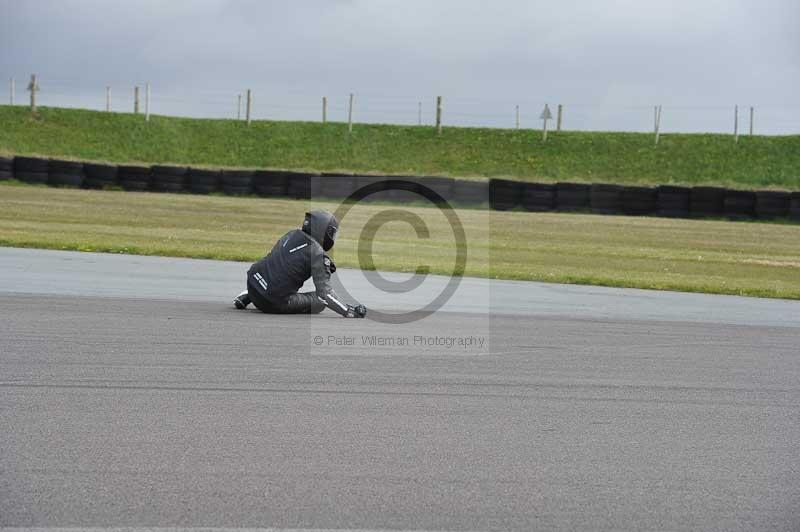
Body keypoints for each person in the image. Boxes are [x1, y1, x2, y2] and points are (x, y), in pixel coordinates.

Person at [232, 210, 367, 318]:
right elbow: (325, 295)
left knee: (274, 271)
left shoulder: (291, 234)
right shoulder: (318, 254)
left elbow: (279, 264)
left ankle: (247, 296)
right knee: (320, 302)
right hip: (271, 302)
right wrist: (348, 311)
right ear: (323, 231)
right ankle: (254, 296)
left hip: (252, 283)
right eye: (331, 233)